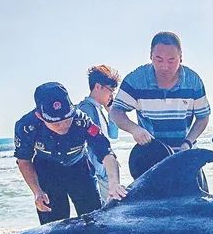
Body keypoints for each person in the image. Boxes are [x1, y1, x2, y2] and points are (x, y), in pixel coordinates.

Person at [13, 83, 127, 225]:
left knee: (94, 220)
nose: (63, 126)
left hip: (79, 168)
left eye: (67, 120)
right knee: (53, 226)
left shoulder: (82, 121)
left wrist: (114, 183)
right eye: (56, 123)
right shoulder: (27, 126)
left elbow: (106, 153)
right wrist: (37, 191)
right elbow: (23, 160)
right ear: (40, 116)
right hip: (46, 171)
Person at [110, 31, 210, 152]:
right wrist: (134, 129)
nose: (165, 66)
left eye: (171, 60)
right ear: (151, 56)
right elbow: (116, 111)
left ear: (181, 57)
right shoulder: (136, 80)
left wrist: (188, 141)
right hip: (151, 154)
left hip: (184, 153)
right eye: (159, 59)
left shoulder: (193, 81)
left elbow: (203, 117)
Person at [78, 65, 121, 202]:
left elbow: (114, 135)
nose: (111, 96)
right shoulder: (86, 108)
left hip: (104, 171)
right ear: (98, 87)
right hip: (98, 173)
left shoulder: (99, 109)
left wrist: (110, 111)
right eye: (110, 91)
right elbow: (88, 145)